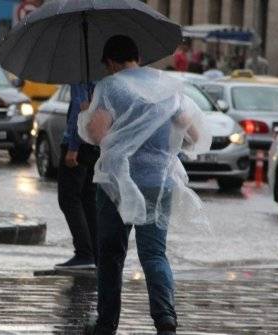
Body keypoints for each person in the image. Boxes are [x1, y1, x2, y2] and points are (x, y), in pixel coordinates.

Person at [79, 35, 210, 335]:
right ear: (136, 56)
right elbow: (189, 132)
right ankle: (165, 319)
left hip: (117, 185)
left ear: (111, 62)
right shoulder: (165, 85)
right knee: (154, 254)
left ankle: (106, 322)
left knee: (111, 254)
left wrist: (88, 114)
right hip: (158, 182)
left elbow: (99, 135)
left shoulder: (110, 86)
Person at [54, 82, 99, 270]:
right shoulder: (103, 77)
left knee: (69, 198)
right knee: (88, 198)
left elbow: (80, 112)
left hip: (79, 143)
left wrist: (73, 147)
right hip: (95, 143)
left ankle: (84, 253)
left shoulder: (80, 76)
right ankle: (95, 253)